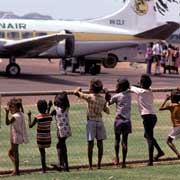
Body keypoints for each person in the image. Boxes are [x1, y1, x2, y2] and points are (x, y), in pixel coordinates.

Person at [74, 79, 110, 170]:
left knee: (90, 144)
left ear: (92, 88)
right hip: (100, 122)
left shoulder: (89, 97)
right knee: (100, 143)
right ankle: (99, 165)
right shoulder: (102, 99)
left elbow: (75, 92)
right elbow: (107, 111)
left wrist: (79, 89)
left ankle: (90, 165)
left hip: (91, 122)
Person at [131, 74, 164, 166]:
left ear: (141, 84)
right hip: (153, 116)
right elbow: (141, 86)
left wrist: (137, 85)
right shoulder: (150, 90)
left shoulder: (140, 91)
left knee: (149, 138)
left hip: (147, 116)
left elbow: (131, 87)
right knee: (147, 135)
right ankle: (160, 151)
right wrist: (140, 84)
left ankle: (150, 161)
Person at [105, 78, 131, 168]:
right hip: (127, 121)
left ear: (120, 87)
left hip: (119, 121)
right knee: (125, 141)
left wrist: (107, 95)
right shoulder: (129, 95)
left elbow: (108, 103)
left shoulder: (117, 96)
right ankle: (124, 162)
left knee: (117, 140)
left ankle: (117, 159)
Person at [27, 99, 52, 173]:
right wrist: (50, 107)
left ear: (38, 108)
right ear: (46, 107)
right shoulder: (49, 116)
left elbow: (30, 125)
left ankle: (43, 170)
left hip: (40, 139)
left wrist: (29, 116)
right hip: (48, 138)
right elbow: (47, 114)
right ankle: (44, 168)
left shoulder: (37, 117)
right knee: (43, 153)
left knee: (42, 153)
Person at [48, 92, 71, 172]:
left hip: (60, 131)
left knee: (61, 147)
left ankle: (64, 165)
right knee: (60, 146)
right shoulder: (67, 107)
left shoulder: (56, 110)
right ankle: (62, 164)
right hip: (66, 130)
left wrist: (49, 106)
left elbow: (49, 115)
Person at [5, 98, 28, 176]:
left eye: (12, 107)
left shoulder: (14, 116)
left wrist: (7, 113)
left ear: (16, 107)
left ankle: (16, 171)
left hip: (15, 137)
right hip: (18, 136)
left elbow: (7, 123)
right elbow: (22, 111)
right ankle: (16, 169)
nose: (10, 109)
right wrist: (20, 104)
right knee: (11, 153)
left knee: (14, 153)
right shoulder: (21, 114)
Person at [159, 89, 180, 158]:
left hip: (177, 126)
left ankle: (178, 154)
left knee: (168, 141)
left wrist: (166, 99)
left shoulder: (171, 105)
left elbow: (160, 108)